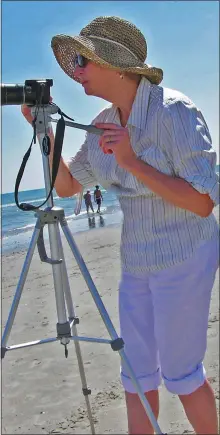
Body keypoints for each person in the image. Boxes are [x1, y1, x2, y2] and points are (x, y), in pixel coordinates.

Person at [22, 16, 219, 435]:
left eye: (81, 61)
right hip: (138, 261)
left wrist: (131, 162)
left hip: (185, 256)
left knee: (182, 373)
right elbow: (70, 186)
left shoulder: (175, 113)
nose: (75, 72)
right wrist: (44, 134)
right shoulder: (101, 127)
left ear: (114, 63)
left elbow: (203, 203)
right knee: (136, 373)